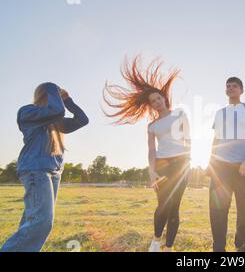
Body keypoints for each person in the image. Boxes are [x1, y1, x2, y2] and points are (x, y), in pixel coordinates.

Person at [103, 57, 191, 252]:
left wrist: (187, 163)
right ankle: (156, 239)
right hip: (162, 164)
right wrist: (151, 171)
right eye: (153, 101)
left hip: (181, 164)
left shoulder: (180, 114)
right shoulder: (152, 126)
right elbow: (151, 150)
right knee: (162, 205)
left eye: (159, 98)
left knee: (174, 206)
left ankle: (168, 247)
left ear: (164, 98)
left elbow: (188, 140)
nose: (157, 102)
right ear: (150, 106)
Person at [1, 83, 89, 252]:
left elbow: (82, 120)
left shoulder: (56, 122)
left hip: (53, 172)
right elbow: (57, 110)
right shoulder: (28, 112)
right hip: (36, 170)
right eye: (55, 95)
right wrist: (52, 87)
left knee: (32, 222)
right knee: (41, 222)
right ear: (45, 95)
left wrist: (68, 100)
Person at [208, 77, 245, 252]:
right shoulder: (220, 112)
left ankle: (243, 248)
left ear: (241, 90)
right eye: (228, 86)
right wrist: (211, 162)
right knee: (217, 209)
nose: (231, 88)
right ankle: (218, 248)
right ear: (225, 91)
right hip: (221, 167)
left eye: (235, 86)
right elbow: (216, 139)